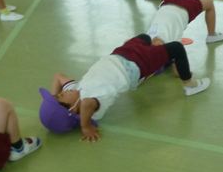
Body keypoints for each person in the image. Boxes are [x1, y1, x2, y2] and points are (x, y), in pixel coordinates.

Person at [40, 35, 209, 142]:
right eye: (61, 96)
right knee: (177, 48)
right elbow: (86, 105)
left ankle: (160, 61)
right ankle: (189, 84)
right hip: (137, 65)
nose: (63, 92)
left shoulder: (76, 90)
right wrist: (85, 126)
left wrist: (54, 97)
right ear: (71, 109)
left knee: (144, 38)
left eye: (59, 93)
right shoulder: (92, 107)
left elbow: (58, 76)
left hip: (119, 55)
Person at [147, 0, 223, 45]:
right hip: (171, 4)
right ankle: (212, 35)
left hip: (170, 4)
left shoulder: (149, 39)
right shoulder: (148, 38)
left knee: (209, 2)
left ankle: (212, 35)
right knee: (210, 2)